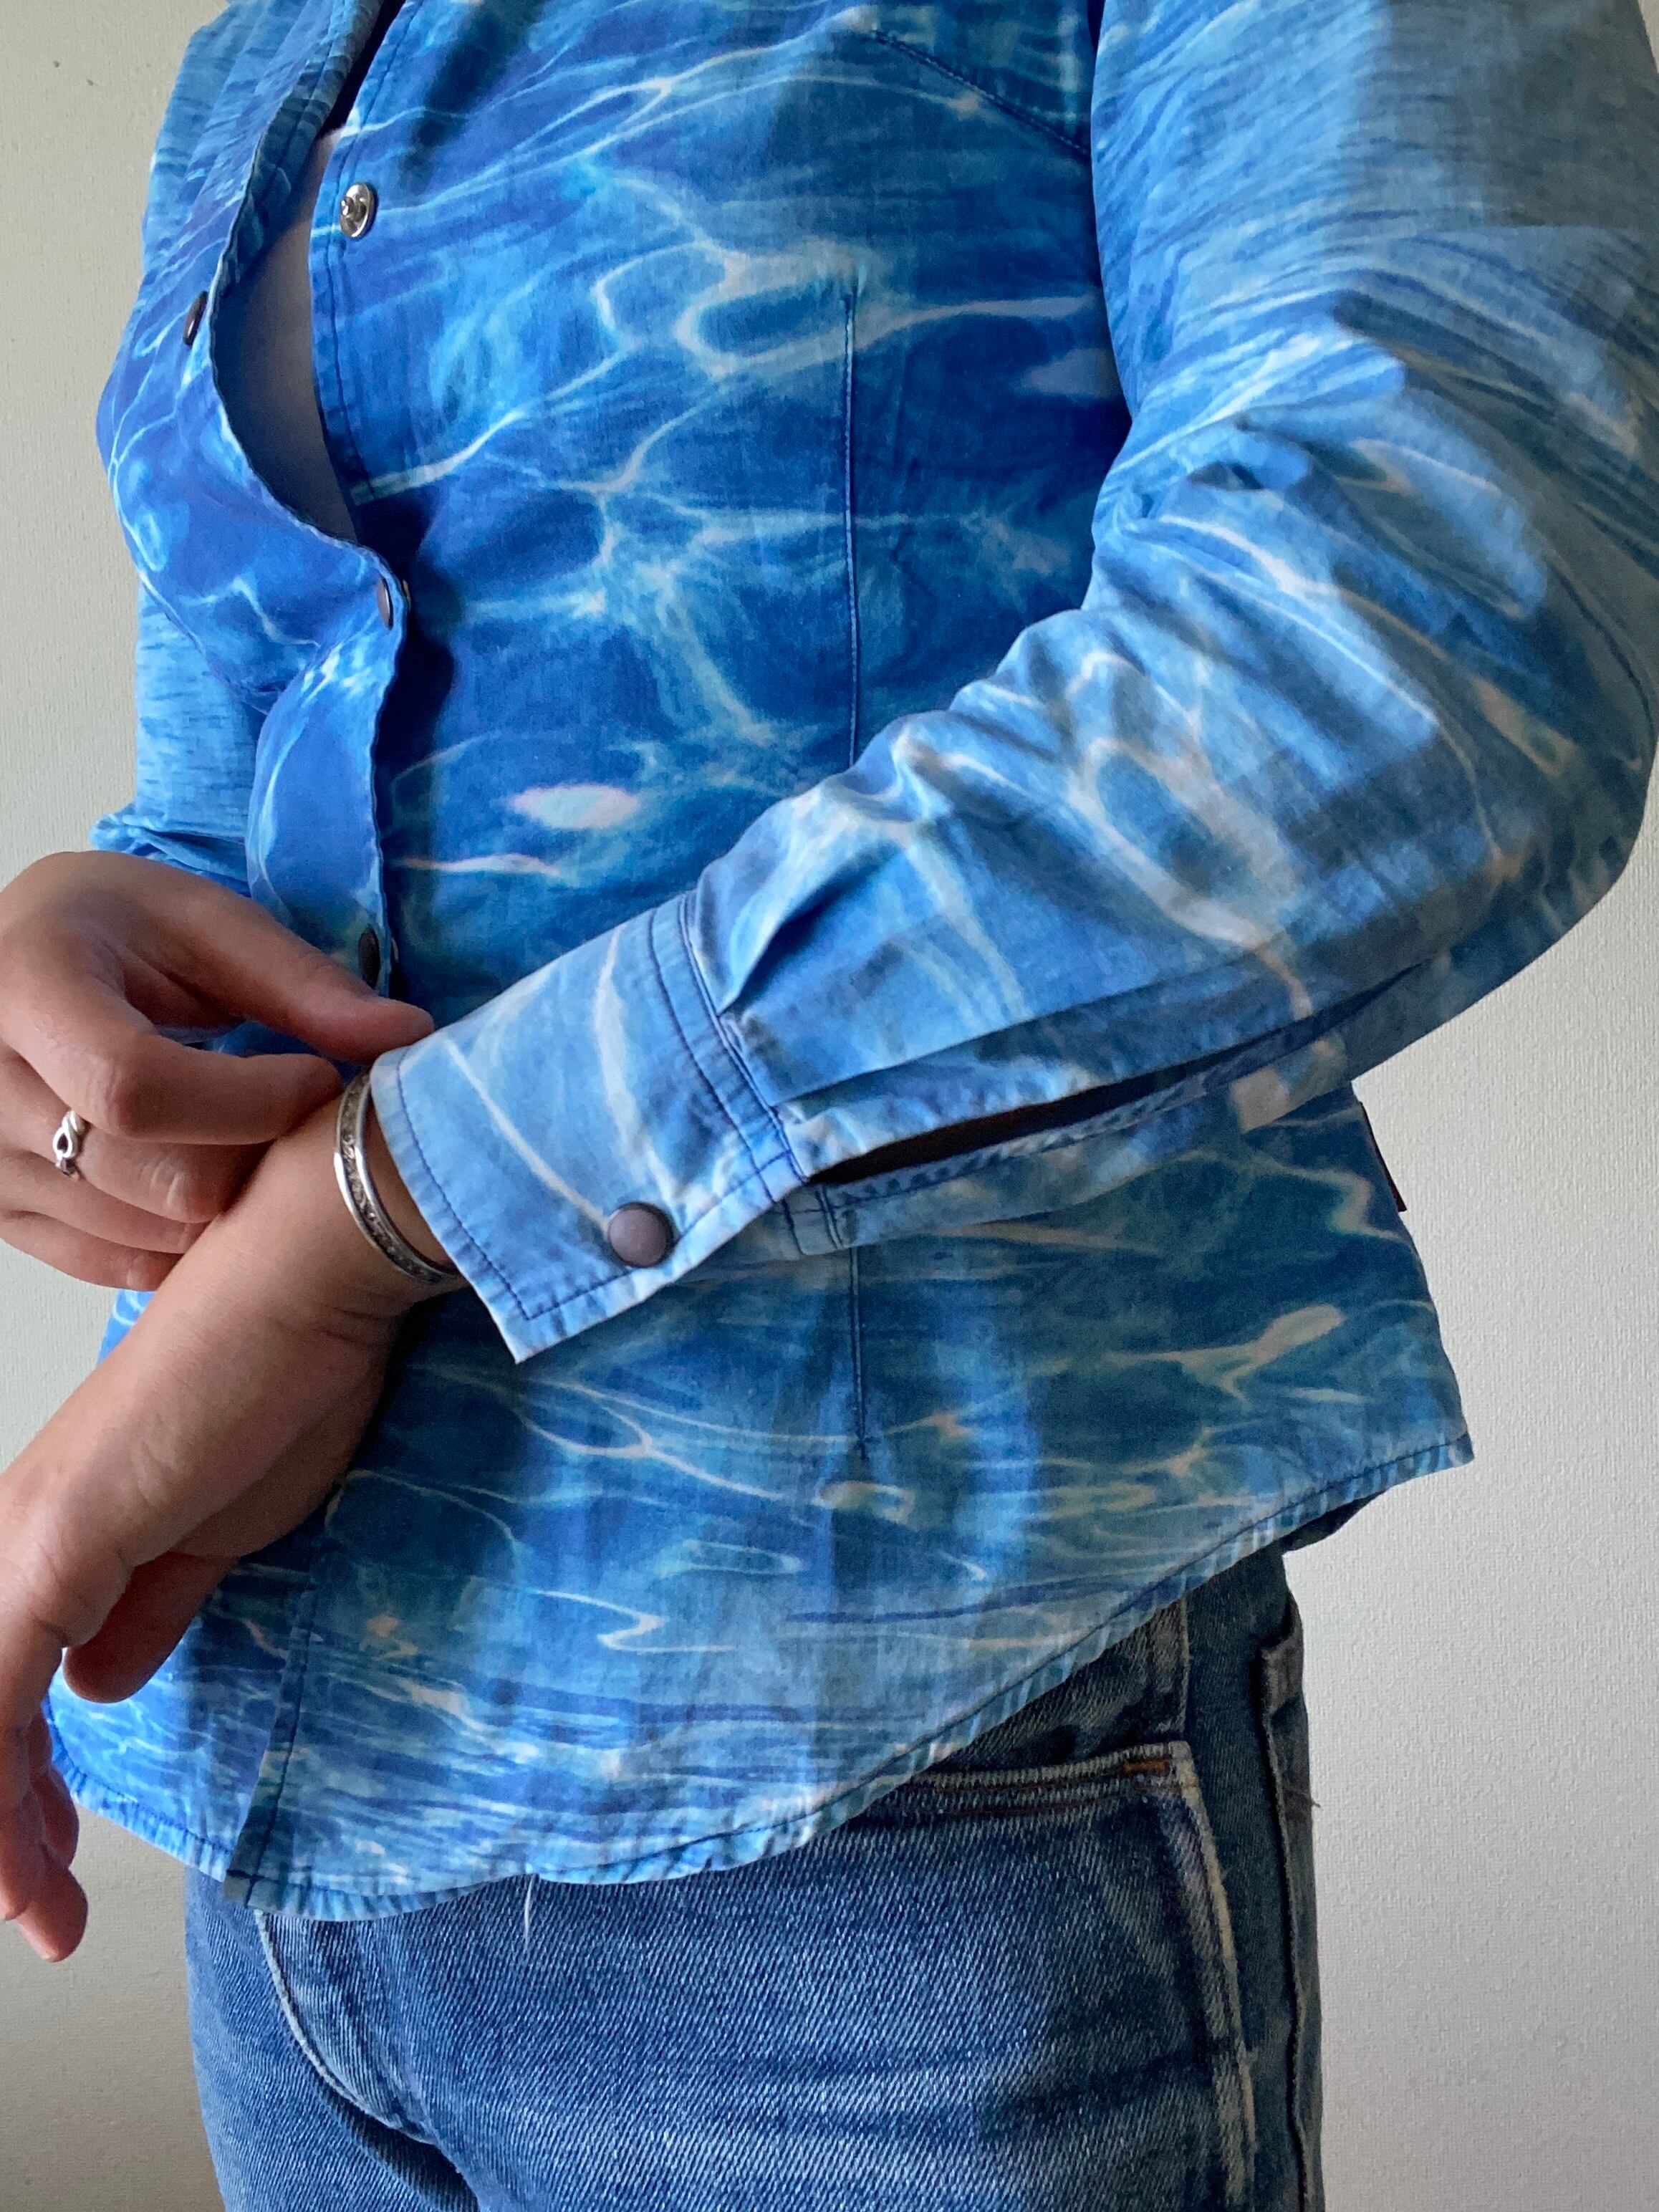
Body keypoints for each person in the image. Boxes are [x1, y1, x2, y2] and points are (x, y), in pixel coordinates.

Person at [3, 0, 1656, 2203]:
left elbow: (1401, 638)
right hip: (269, 1754)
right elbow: (299, 762)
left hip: (889, 1754)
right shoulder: (273, 51)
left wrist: (385, 1216)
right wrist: (93, 942)